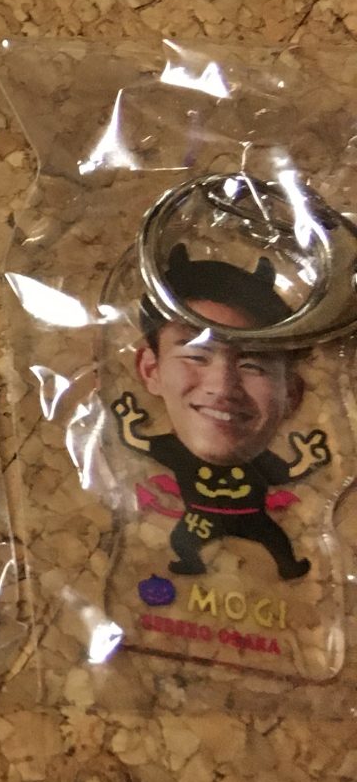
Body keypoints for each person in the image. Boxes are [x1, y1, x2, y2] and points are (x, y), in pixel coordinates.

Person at [113, 248, 328, 579]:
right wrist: (127, 421)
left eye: (253, 364)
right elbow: (136, 441)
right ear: (151, 369)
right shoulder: (173, 452)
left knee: (275, 541)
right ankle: (191, 562)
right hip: (198, 518)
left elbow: (288, 472)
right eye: (196, 356)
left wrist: (308, 458)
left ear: (290, 391)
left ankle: (288, 566)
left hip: (254, 518)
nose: (223, 387)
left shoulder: (263, 465)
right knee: (182, 540)